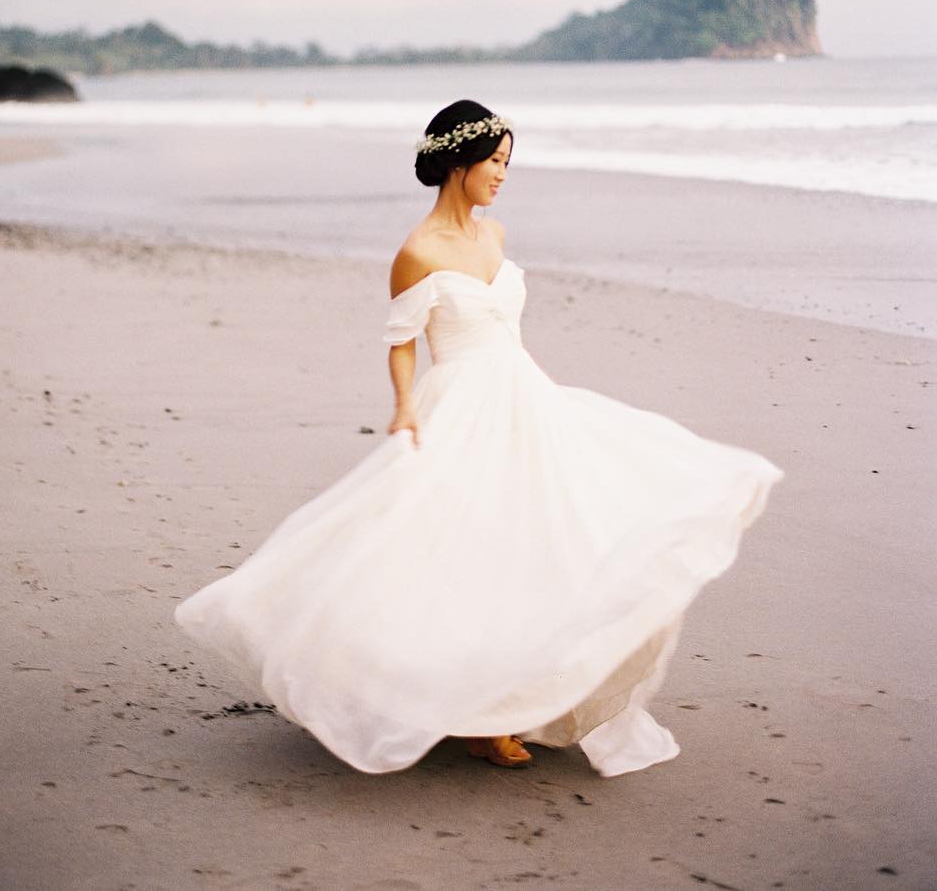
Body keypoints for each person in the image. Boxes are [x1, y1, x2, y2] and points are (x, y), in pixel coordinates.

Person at [174, 99, 783, 774]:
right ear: (460, 162)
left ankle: (510, 701)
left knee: (546, 538)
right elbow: (402, 342)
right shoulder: (417, 252)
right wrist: (404, 404)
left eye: (508, 163)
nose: (502, 175)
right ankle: (477, 715)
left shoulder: (494, 237)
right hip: (459, 404)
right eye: (495, 162)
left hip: (525, 397)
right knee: (464, 548)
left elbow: (503, 326)